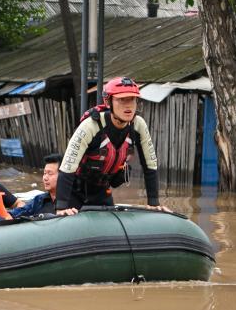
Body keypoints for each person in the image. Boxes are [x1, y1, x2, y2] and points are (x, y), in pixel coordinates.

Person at [56, 76, 170, 215]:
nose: (128, 105)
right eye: (122, 100)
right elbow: (68, 166)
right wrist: (61, 207)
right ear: (108, 102)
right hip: (75, 191)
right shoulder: (91, 125)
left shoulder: (138, 124)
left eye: (132, 99)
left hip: (102, 190)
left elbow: (150, 164)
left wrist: (154, 202)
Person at [9, 153, 61, 217]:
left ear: (63, 176)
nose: (45, 178)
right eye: (44, 173)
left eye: (50, 173)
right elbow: (17, 213)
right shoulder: (39, 200)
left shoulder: (73, 200)